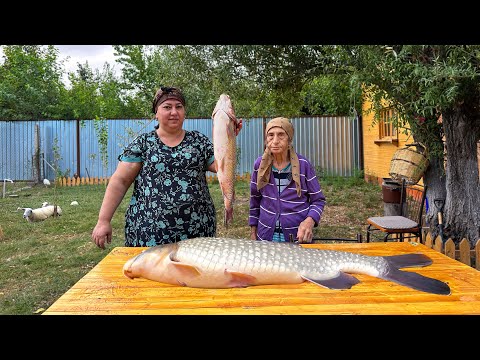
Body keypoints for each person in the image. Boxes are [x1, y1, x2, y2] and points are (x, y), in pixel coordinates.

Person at [92, 86, 242, 249]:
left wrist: (229, 137)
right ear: (156, 112)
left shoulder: (198, 141)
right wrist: (103, 220)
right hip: (149, 234)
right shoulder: (143, 143)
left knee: (194, 274)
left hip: (197, 233)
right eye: (167, 107)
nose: (174, 112)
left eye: (179, 107)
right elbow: (120, 181)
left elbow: (223, 168)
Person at [249, 117, 326, 243]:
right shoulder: (260, 165)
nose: (275, 141)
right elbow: (254, 200)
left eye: (281, 135)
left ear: (289, 139)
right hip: (265, 238)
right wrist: (253, 232)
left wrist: (309, 221)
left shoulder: (303, 165)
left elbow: (318, 200)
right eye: (270, 135)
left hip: (296, 239)